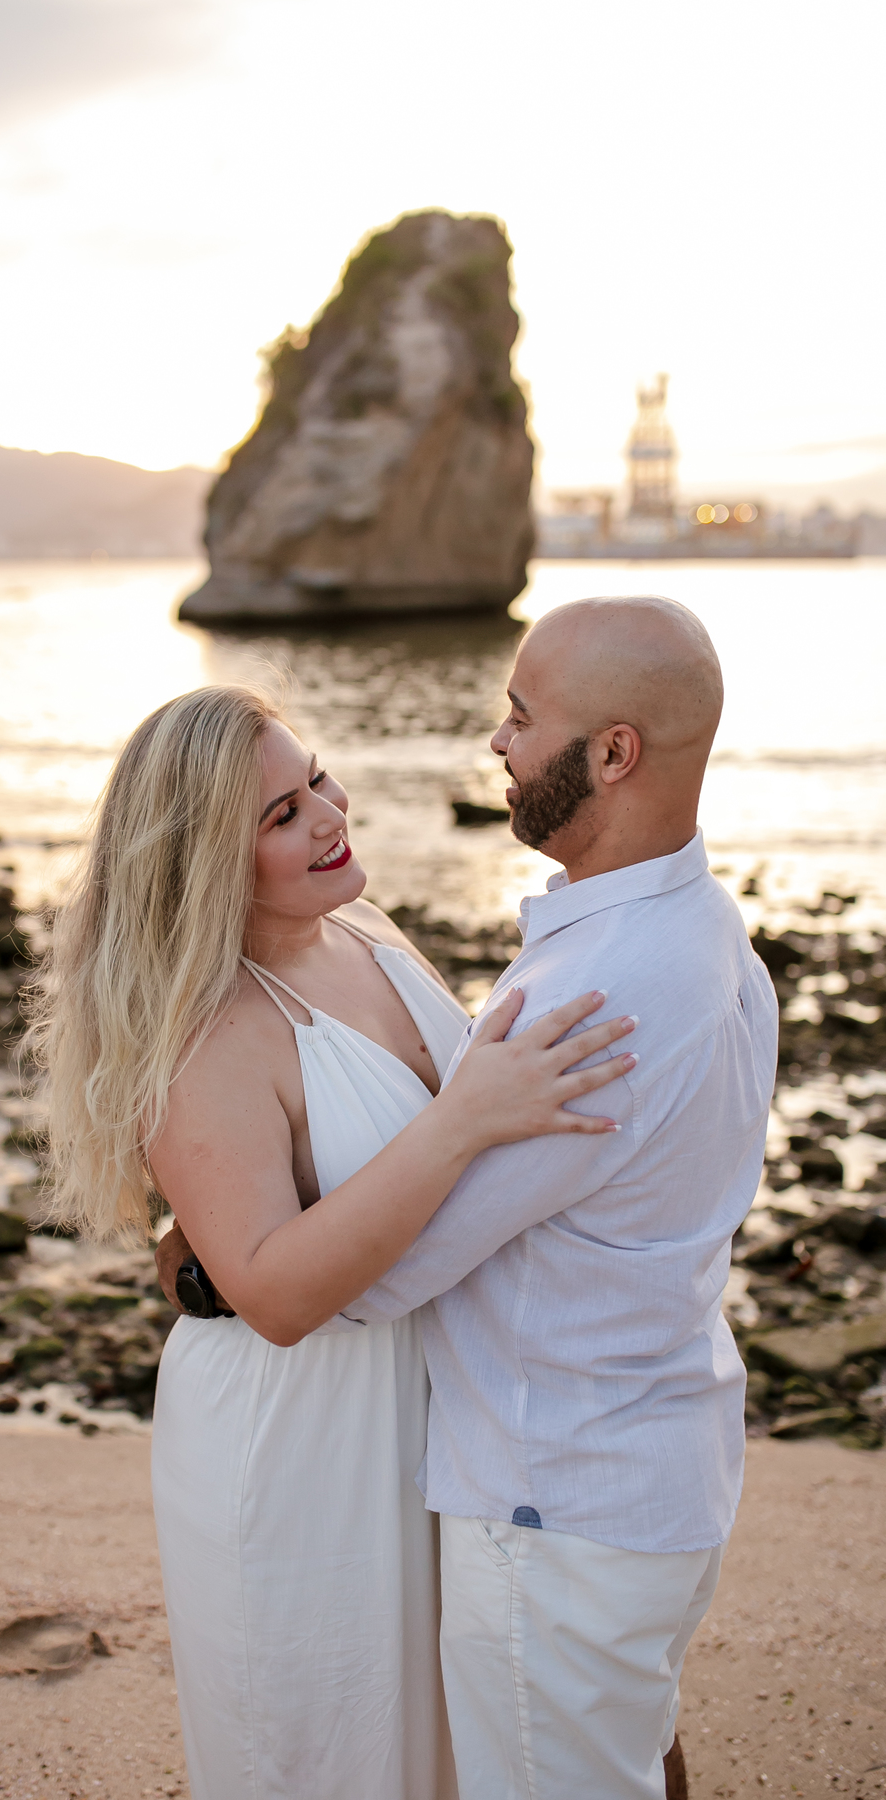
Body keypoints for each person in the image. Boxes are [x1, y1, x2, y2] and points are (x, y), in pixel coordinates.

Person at [160, 595, 779, 1800]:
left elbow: (376, 1275)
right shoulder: (699, 927)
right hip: (616, 1456)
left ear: (613, 753)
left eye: (521, 717)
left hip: (553, 1491)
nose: (497, 741)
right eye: (285, 808)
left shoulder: (588, 998)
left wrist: (209, 1263)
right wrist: (206, 1230)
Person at [28, 682, 637, 1800]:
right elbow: (272, 1294)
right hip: (297, 1435)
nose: (328, 814)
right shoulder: (207, 1032)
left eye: (315, 777)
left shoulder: (364, 930)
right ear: (205, 863)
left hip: (431, 1412)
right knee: (323, 1748)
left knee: (448, 1741)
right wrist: (464, 1122)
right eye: (281, 815)